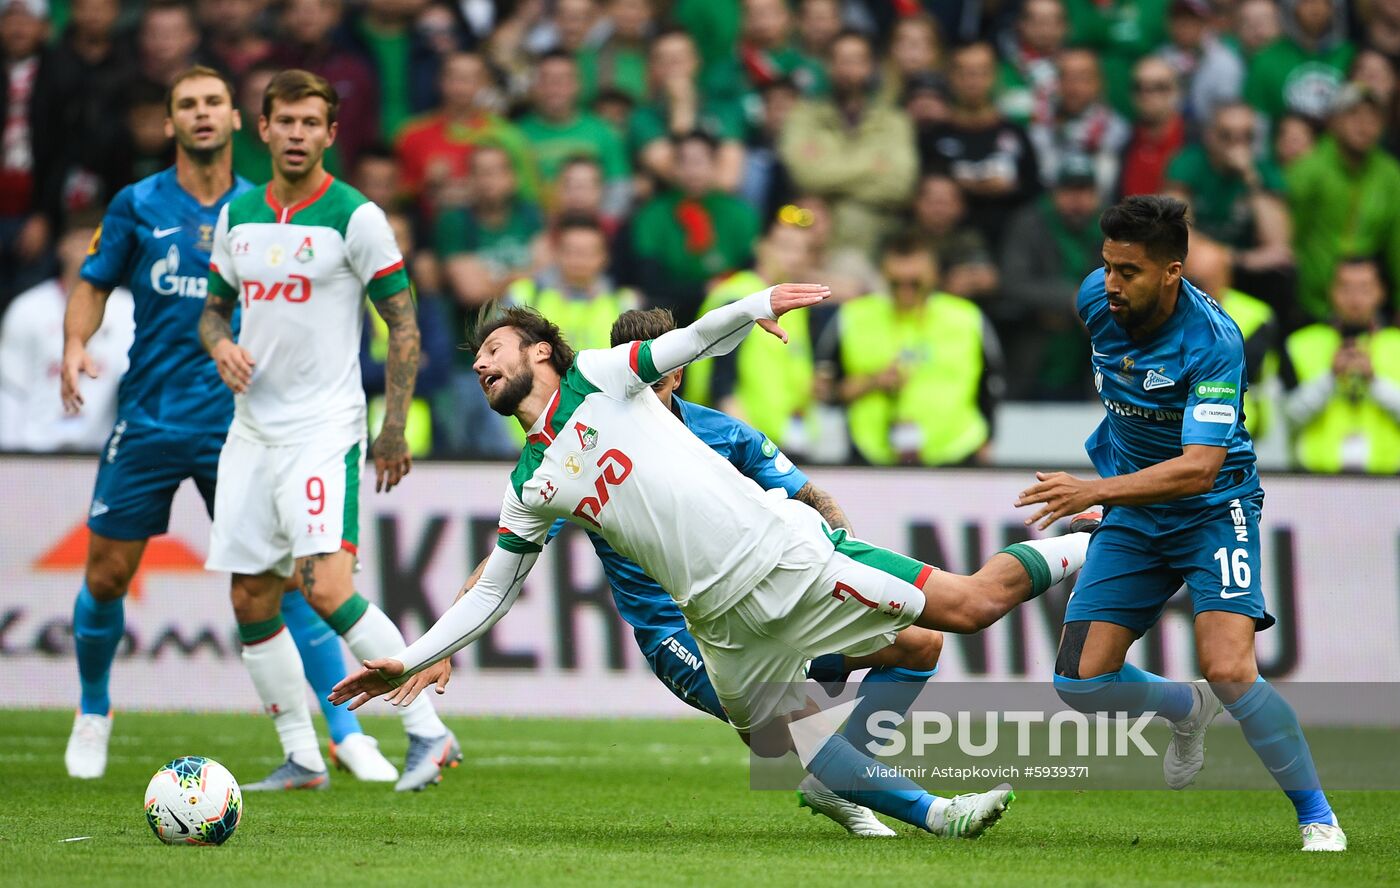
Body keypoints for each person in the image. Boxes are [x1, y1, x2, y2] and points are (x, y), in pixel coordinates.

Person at [330, 287, 1098, 839]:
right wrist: (408, 660)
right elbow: (492, 590)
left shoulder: (604, 378)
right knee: (785, 745)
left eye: (491, 351)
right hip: (712, 622)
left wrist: (755, 305)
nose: (480, 366)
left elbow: (687, 341)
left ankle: (1100, 539)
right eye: (475, 361)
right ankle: (938, 816)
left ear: (540, 351)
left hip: (785, 559)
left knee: (962, 613)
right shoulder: (532, 483)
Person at [460, 306, 945, 836]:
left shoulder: (721, 433)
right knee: (782, 727)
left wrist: (839, 563)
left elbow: (811, 495)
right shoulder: (584, 442)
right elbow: (507, 559)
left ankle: (847, 775)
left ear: (677, 371)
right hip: (677, 629)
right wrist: (453, 633)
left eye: (659, 377)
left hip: (760, 603)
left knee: (920, 644)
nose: (647, 387)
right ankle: (924, 809)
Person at [57, 66, 388, 783]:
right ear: (169, 122)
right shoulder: (137, 203)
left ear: (239, 120)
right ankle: (92, 710)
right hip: (148, 417)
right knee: (108, 575)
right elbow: (92, 283)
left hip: (244, 424)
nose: (201, 115)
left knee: (290, 583)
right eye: (186, 106)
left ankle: (344, 731)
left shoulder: (266, 206)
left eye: (213, 103)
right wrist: (76, 344)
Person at [1017, 195, 1345, 853]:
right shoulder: (1095, 299)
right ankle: (1183, 709)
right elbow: (1125, 395)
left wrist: (1096, 486)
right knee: (1079, 683)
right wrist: (1114, 486)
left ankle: (1318, 817)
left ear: (1172, 272)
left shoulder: (1214, 343)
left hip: (1212, 510)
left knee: (1229, 667)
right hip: (1135, 513)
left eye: (1129, 271)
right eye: (1108, 266)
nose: (1112, 283)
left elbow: (1198, 468)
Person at [198, 69, 457, 793]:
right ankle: (303, 757)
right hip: (252, 432)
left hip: (323, 427)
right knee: (251, 598)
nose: (297, 135)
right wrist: (220, 343)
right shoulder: (238, 215)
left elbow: (402, 326)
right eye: (286, 122)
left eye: (312, 123)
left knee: (324, 587)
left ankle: (428, 733)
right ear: (264, 127)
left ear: (330, 133)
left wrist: (393, 427)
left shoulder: (356, 216)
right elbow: (214, 309)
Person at [824, 234, 1003, 466]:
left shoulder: (966, 318)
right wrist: (873, 381)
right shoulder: (853, 316)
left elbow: (992, 384)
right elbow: (826, 389)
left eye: (915, 283)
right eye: (895, 284)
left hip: (958, 451)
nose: (905, 291)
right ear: (883, 275)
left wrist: (988, 439)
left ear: (934, 275)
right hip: (872, 453)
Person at [779, 29, 918, 258]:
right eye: (840, 60)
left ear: (871, 66)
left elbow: (900, 184)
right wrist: (871, 167)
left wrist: (827, 172)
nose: (847, 69)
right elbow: (805, 176)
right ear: (828, 65)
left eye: (855, 61)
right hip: (811, 243)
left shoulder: (894, 121)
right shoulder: (803, 116)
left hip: (876, 244)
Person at [0, 216, 132, 451]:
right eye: (82, 239)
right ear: (62, 246)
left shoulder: (127, 309)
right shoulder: (27, 308)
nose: (89, 249)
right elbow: (11, 389)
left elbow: (133, 389)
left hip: (100, 450)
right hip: (34, 451)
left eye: (97, 240)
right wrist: (9, 454)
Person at [684, 214, 814, 447]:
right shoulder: (737, 297)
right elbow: (720, 382)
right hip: (736, 442)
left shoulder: (793, 307)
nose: (794, 258)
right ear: (761, 247)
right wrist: (747, 447)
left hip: (779, 441)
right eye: (785, 247)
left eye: (802, 250)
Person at [1286, 84, 1400, 323]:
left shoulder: (1390, 175)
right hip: (1311, 301)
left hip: (1367, 306)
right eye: (1354, 115)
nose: (1364, 125)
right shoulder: (1308, 169)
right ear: (1335, 120)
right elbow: (1291, 238)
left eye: (1373, 118)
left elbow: (1396, 244)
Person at [1281, 257, 1400, 473]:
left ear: (1382, 292)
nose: (1355, 299)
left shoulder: (1397, 344)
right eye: (1345, 288)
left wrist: (1374, 382)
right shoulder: (1301, 343)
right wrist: (1330, 378)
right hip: (1316, 477)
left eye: (1365, 289)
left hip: (1390, 481)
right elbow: (1288, 417)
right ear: (1331, 292)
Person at [998, 156, 1103, 400]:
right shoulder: (1029, 222)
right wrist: (1072, 299)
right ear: (1054, 193)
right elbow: (1013, 282)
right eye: (1069, 191)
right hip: (1034, 349)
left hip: (1090, 356)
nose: (1077, 200)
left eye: (1084, 191)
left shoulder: (1110, 226)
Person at [919, 41, 1041, 247]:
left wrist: (1010, 188)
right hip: (948, 241)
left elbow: (1035, 189)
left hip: (1010, 239)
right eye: (964, 73)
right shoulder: (933, 136)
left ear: (994, 76)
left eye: (980, 72)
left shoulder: (1015, 133)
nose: (972, 81)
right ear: (951, 77)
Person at [630, 130, 758, 324]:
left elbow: (752, 271)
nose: (692, 171)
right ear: (674, 167)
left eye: (700, 162)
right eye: (683, 162)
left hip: (730, 312)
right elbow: (650, 281)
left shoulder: (741, 214)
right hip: (671, 314)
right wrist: (701, 290)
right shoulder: (653, 214)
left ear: (715, 165)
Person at [516, 50, 630, 216]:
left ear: (577, 85)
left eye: (562, 80)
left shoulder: (603, 131)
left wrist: (599, 229)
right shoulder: (517, 134)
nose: (555, 88)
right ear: (535, 86)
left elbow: (619, 188)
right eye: (547, 80)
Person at [509, 214, 637, 355]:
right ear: (556, 253)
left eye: (587, 252)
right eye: (571, 251)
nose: (579, 259)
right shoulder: (523, 296)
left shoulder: (625, 303)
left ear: (605, 256)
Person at [1028, 48, 1129, 201]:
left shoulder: (1118, 130)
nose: (1073, 87)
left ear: (1098, 82)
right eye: (1066, 77)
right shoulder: (1040, 128)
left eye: (1083, 78)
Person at [1244, 0, 1354, 124]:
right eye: (1307, 1)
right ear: (1291, 6)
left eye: (1325, 1)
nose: (1316, 8)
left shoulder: (1351, 56)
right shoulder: (1266, 60)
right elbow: (1258, 122)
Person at [1118, 57, 1186, 197]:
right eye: (1139, 87)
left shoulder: (1195, 143)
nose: (1147, 94)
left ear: (1177, 92)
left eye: (1159, 87)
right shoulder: (1122, 143)